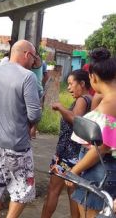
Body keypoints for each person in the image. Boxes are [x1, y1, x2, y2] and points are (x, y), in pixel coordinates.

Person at [0, 40, 42, 218]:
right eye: (34, 58)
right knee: (22, 191)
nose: (33, 62)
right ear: (27, 54)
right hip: (17, 146)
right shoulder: (27, 77)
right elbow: (35, 115)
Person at [69, 48, 116, 218]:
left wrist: (74, 171)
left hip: (99, 171)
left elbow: (103, 147)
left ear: (93, 77)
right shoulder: (106, 100)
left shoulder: (111, 104)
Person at [41, 69, 92, 218]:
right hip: (77, 156)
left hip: (66, 156)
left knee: (53, 190)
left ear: (82, 83)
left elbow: (75, 120)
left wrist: (61, 107)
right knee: (74, 195)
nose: (68, 88)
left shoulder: (83, 99)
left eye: (71, 84)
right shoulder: (89, 99)